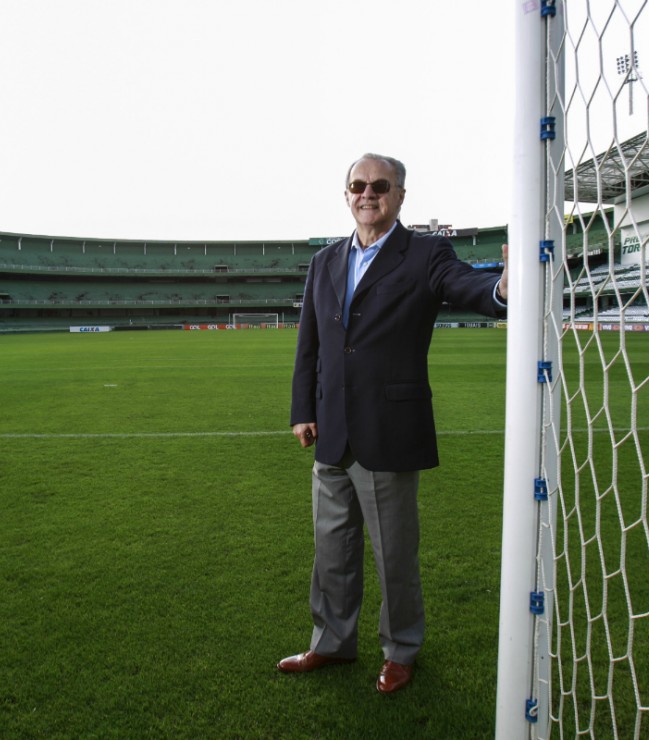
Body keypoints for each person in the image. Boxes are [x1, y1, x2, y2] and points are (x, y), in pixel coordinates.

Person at [279, 153, 508, 694]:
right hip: (331, 431)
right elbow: (308, 343)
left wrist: (503, 286)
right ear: (347, 194)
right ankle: (331, 642)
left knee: (394, 556)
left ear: (400, 195)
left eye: (379, 185)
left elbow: (464, 284)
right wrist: (302, 410)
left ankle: (401, 650)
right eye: (358, 185)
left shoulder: (425, 253)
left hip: (388, 431)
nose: (367, 193)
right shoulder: (325, 262)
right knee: (331, 551)